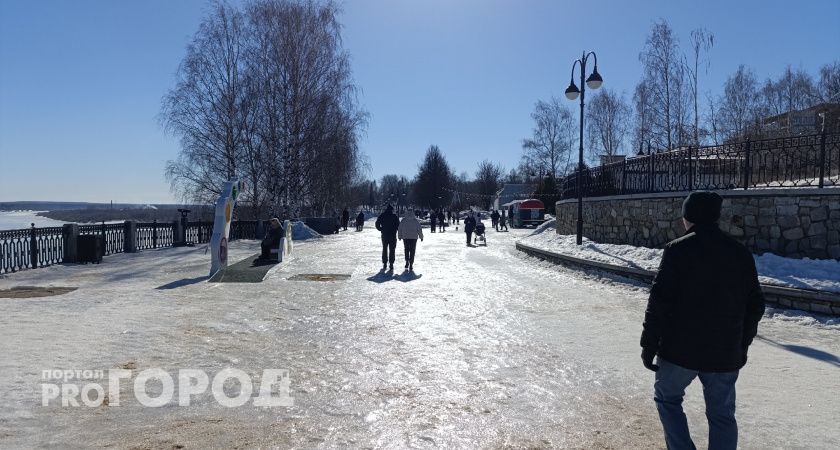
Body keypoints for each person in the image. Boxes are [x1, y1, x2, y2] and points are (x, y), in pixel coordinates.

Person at [640, 191, 765, 450]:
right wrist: (741, 345)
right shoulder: (740, 253)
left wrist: (649, 344)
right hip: (724, 352)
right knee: (722, 415)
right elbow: (756, 305)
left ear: (689, 217)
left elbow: (659, 302)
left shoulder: (677, 250)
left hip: (679, 351)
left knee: (668, 400)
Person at [375, 204, 400, 271]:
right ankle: (391, 263)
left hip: (385, 235)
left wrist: (380, 229)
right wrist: (397, 231)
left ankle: (385, 263)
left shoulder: (382, 215)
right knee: (392, 249)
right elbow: (398, 226)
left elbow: (377, 223)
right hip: (392, 235)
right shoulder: (394, 216)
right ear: (391, 210)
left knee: (384, 249)